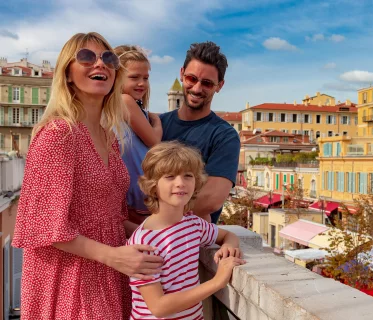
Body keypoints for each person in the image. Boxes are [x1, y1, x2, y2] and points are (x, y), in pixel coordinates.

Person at [12, 32, 162, 320]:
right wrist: (115, 257)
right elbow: (44, 225)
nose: (100, 64)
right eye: (86, 57)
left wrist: (166, 231)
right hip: (69, 276)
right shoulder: (58, 134)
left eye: (108, 58)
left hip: (109, 269)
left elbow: (109, 217)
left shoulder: (110, 138)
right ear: (67, 74)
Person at [128, 141, 245, 319]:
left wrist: (228, 247)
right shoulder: (144, 242)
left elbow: (228, 235)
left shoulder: (192, 224)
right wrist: (217, 282)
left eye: (188, 176)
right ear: (153, 185)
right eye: (170, 176)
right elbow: (158, 307)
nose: (180, 183)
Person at [160, 41, 239, 223]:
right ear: (182, 74)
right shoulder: (157, 124)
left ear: (219, 85)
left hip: (188, 246)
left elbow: (211, 199)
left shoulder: (224, 136)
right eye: (191, 79)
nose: (196, 88)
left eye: (207, 83)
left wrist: (149, 214)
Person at [114, 44, 162, 225]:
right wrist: (156, 121)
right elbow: (155, 141)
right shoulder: (125, 101)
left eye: (146, 78)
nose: (142, 83)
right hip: (138, 192)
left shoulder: (126, 104)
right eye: (134, 77)